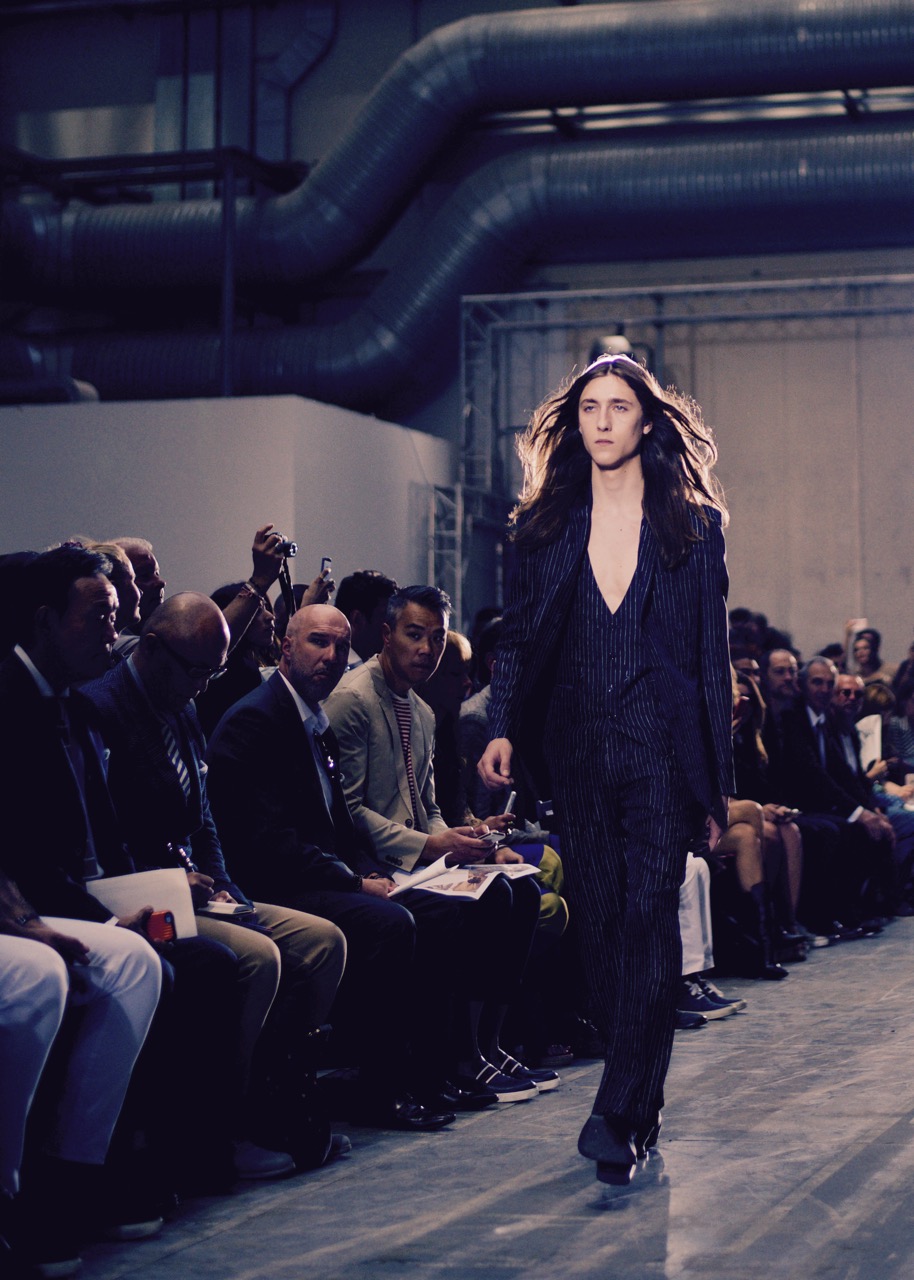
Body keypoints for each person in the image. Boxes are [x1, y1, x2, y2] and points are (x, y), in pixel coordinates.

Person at [477, 352, 734, 1185]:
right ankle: (638, 1104)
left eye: (618, 405)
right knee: (600, 923)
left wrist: (716, 785)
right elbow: (518, 636)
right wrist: (502, 728)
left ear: (646, 420)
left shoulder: (693, 526)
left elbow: (711, 659)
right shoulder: (544, 526)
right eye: (589, 406)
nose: (601, 420)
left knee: (649, 915)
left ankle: (617, 1110)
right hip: (576, 747)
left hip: (661, 749)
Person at [82, 592, 349, 1172]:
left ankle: (278, 1100)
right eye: (197, 671)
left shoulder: (180, 704)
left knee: (322, 941)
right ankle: (223, 1127)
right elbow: (106, 837)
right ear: (154, 649)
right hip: (142, 898)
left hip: (199, 891)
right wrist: (173, 884)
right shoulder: (103, 709)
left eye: (214, 673)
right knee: (256, 957)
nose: (204, 686)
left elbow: (203, 818)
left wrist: (226, 887)